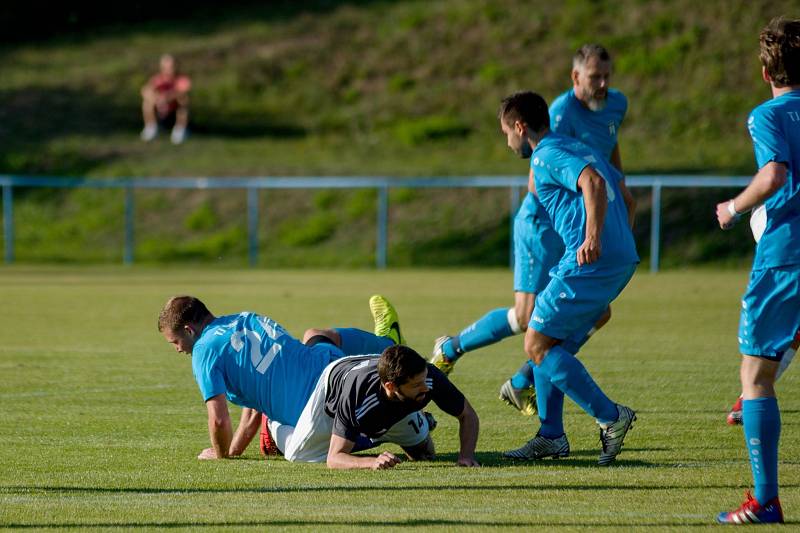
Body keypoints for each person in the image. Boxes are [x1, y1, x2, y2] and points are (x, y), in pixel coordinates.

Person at [431, 44, 633, 419]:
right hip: (544, 222)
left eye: (607, 75)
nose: (603, 84)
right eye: (594, 77)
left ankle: (528, 384)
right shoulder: (557, 114)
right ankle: (452, 349)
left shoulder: (616, 105)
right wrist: (586, 221)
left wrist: (618, 192)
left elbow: (608, 148)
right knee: (530, 319)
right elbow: (540, 180)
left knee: (595, 313)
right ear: (576, 77)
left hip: (583, 220)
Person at [497, 91, 638, 465]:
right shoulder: (575, 145)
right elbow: (628, 200)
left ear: (519, 126)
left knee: (537, 344)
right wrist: (615, 244)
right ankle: (551, 436)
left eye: (506, 133)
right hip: (616, 259)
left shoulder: (546, 154)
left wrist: (593, 237)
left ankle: (611, 417)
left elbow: (592, 183)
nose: (508, 142)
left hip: (589, 260)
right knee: (548, 340)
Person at [715, 16, 800, 524]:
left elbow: (774, 174)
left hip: (787, 254)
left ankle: (765, 500)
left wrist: (733, 207)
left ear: (766, 71)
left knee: (756, 375)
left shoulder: (768, 115)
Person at [158, 293, 401, 460]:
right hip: (335, 366)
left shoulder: (203, 350)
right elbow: (254, 405)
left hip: (319, 413)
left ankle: (372, 435)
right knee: (316, 334)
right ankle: (388, 345)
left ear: (189, 330)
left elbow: (219, 420)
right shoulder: (246, 318)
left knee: (276, 428)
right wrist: (233, 450)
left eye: (175, 341)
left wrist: (221, 456)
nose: (178, 348)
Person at [267, 344, 480, 469]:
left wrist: (466, 455)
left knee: (424, 456)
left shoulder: (429, 377)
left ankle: (396, 427)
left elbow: (467, 415)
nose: (426, 388)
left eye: (424, 380)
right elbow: (334, 458)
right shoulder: (357, 395)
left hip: (398, 405)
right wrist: (371, 462)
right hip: (333, 385)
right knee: (298, 455)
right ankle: (271, 422)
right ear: (390, 386)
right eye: (416, 385)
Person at [141, 54, 191, 145]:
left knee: (183, 100)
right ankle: (151, 127)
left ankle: (180, 129)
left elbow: (183, 92)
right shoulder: (157, 79)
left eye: (171, 66)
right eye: (166, 66)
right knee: (147, 101)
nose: (169, 68)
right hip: (159, 109)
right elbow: (145, 91)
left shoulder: (181, 79)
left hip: (174, 111)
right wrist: (157, 99)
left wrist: (167, 97)